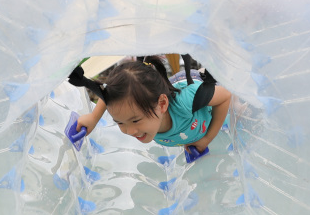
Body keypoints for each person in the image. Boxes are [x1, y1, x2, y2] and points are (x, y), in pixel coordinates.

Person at [68, 56, 233, 154]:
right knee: (129, 94)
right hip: (157, 94)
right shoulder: (139, 113)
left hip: (200, 88)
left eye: (135, 120)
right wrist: (94, 118)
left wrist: (207, 139)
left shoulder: (185, 103)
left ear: (162, 105)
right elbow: (113, 96)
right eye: (119, 122)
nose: (129, 131)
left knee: (237, 105)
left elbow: (225, 96)